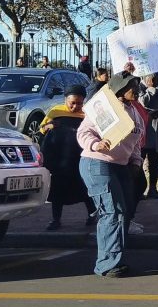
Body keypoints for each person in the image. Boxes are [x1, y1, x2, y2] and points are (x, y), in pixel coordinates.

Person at [76, 73, 145, 277]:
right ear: (120, 89)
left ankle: (115, 258)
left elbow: (136, 142)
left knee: (123, 213)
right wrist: (96, 144)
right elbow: (83, 132)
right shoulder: (105, 107)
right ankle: (106, 264)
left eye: (136, 85)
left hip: (121, 166)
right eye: (131, 85)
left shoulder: (135, 113)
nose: (136, 89)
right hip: (97, 163)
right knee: (112, 212)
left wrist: (136, 161)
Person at [40, 85, 96, 230]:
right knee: (58, 189)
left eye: (80, 103)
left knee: (85, 188)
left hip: (80, 156)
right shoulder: (56, 111)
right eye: (72, 103)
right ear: (65, 100)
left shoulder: (88, 113)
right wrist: (49, 127)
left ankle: (92, 216)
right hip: (59, 158)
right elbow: (41, 129)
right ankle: (55, 220)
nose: (76, 106)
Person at [139, 73, 158, 198]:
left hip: (155, 130)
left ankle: (152, 189)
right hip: (144, 128)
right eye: (154, 78)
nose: (156, 80)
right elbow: (142, 102)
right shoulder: (139, 87)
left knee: (154, 161)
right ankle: (138, 189)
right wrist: (150, 89)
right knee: (139, 160)